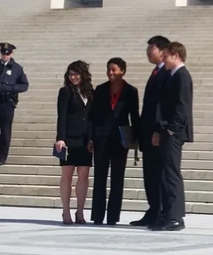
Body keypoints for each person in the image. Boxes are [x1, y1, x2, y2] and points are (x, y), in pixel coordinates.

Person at [88, 57, 140, 225]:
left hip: (120, 140)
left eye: (114, 70)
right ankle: (97, 215)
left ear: (122, 71)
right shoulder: (100, 89)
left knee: (117, 178)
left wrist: (136, 139)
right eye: (109, 69)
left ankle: (112, 217)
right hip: (101, 138)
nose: (111, 73)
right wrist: (90, 137)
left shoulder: (131, 91)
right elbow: (93, 116)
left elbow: (134, 117)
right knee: (100, 177)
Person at [149, 42, 194, 232]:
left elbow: (182, 106)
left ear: (176, 55)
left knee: (172, 173)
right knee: (165, 173)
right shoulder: (171, 76)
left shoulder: (182, 76)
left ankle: (176, 216)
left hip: (174, 132)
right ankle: (167, 213)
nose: (163, 59)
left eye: (166, 56)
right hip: (166, 130)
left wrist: (171, 129)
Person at [130, 35, 171, 227]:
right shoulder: (155, 72)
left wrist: (157, 130)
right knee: (149, 175)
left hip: (158, 135)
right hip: (147, 134)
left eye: (151, 48)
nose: (148, 52)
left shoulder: (167, 74)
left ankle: (163, 211)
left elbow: (161, 107)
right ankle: (153, 209)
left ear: (162, 51)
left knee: (159, 174)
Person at [54, 60, 94, 225]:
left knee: (84, 174)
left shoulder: (90, 92)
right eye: (70, 74)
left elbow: (92, 117)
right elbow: (61, 115)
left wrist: (92, 138)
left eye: (76, 73)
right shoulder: (65, 92)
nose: (73, 77)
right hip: (69, 138)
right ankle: (66, 211)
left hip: (85, 139)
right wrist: (60, 138)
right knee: (67, 174)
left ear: (83, 74)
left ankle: (80, 211)